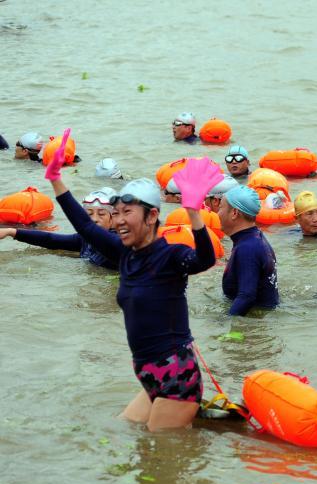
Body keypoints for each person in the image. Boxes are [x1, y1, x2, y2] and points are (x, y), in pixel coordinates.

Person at [44, 128, 220, 430]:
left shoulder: (171, 256)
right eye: (116, 213)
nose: (119, 220)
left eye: (127, 212)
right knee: (122, 432)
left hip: (176, 375)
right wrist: (55, 179)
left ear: (151, 217)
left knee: (159, 449)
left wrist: (193, 213)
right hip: (150, 375)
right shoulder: (124, 253)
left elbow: (205, 259)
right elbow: (86, 227)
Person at [0, 187, 119, 270]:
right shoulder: (85, 239)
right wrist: (12, 232)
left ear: (114, 218)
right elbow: (51, 240)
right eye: (89, 214)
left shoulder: (119, 244)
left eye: (101, 214)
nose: (94, 219)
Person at [218, 185, 279, 316]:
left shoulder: (247, 248)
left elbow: (246, 297)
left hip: (254, 321)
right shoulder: (254, 238)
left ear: (234, 213)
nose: (217, 213)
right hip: (263, 315)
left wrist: (224, 323)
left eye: (221, 207)